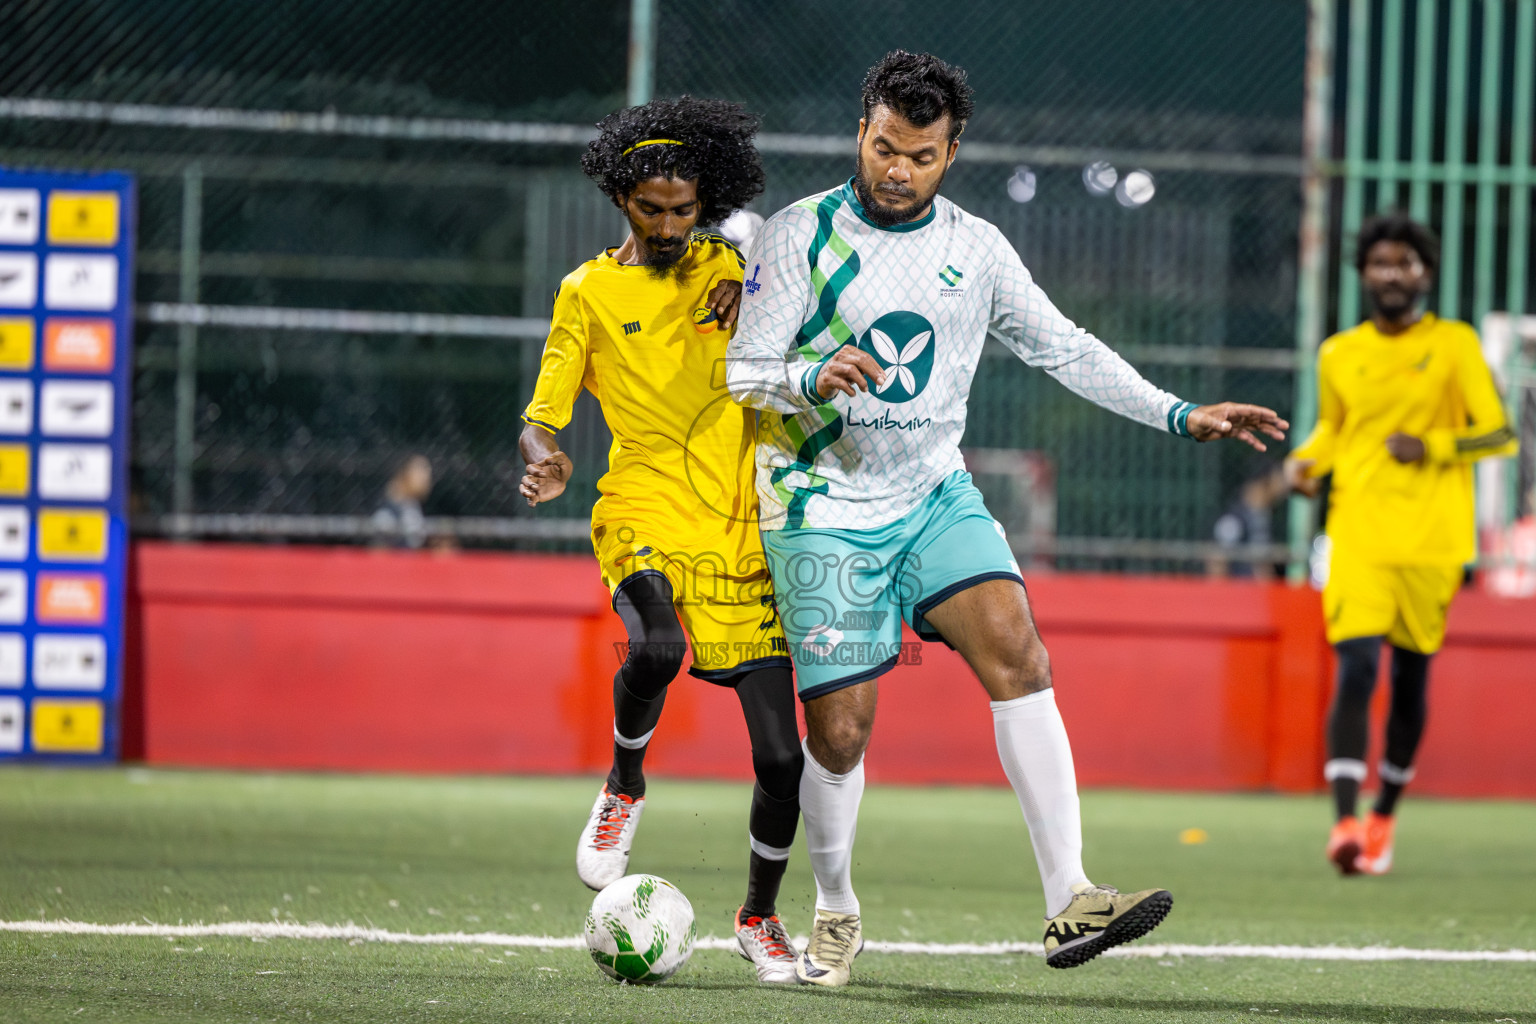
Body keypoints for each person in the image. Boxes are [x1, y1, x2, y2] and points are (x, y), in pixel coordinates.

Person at [726, 50, 1287, 985]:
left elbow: (1063, 348)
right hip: (818, 507)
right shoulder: (796, 236)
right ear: (860, 130)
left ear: (953, 153)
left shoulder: (976, 248)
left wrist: (1180, 413)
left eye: (921, 154)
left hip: (933, 496)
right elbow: (743, 371)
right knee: (842, 735)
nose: (897, 170)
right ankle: (834, 909)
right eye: (883, 147)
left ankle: (1071, 898)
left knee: (1020, 649)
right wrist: (805, 376)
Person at [517, 96, 804, 984]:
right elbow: (541, 414)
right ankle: (623, 786)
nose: (674, 225)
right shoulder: (587, 293)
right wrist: (546, 457)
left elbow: (799, 264)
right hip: (640, 503)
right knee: (656, 645)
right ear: (622, 201)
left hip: (739, 527)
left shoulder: (734, 257)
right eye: (655, 210)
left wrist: (756, 278)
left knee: (782, 760)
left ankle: (758, 917)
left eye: (687, 208)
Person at [1285, 214, 1517, 877]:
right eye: (1381, 263)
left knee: (1411, 680)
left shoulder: (1455, 345)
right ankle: (1344, 824)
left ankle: (1384, 812)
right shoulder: (1339, 353)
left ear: (1426, 274)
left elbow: (1499, 433)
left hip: (1433, 542)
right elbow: (1335, 429)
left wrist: (1433, 447)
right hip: (1357, 533)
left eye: (1406, 263)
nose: (1393, 274)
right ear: (1363, 275)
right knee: (1356, 668)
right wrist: (1305, 464)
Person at [1209, 465, 1287, 579]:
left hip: (1262, 593)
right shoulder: (1233, 520)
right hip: (1241, 590)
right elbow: (1217, 562)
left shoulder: (1263, 518)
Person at [372, 454, 433, 549]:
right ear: (405, 473)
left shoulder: (412, 505)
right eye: (420, 470)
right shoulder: (388, 506)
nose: (425, 478)